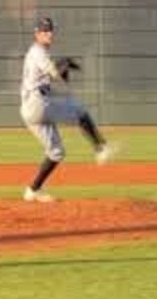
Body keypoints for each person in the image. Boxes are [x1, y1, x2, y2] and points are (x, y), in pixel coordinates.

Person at [18, 16, 115, 203]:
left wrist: (64, 66)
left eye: (50, 30)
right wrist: (65, 64)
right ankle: (100, 148)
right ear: (37, 34)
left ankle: (33, 190)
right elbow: (54, 72)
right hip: (37, 104)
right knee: (79, 110)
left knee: (56, 152)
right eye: (45, 31)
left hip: (31, 108)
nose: (49, 33)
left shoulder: (37, 52)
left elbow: (51, 78)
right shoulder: (38, 51)